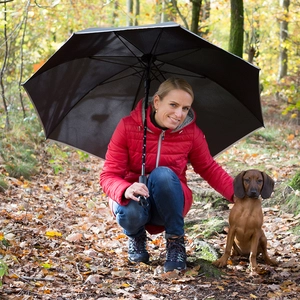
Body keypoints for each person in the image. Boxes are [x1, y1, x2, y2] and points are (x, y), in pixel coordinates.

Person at [99, 77, 234, 272]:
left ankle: (176, 243)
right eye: (173, 105)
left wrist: (236, 194)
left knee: (163, 174)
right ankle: (136, 236)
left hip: (171, 198)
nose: (179, 114)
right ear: (156, 102)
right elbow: (108, 175)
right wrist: (126, 188)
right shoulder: (128, 126)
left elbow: (208, 167)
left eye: (185, 108)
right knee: (129, 210)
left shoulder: (191, 133)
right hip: (135, 201)